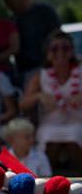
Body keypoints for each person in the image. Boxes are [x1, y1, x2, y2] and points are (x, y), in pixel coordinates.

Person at [20, 30, 82, 175]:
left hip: (77, 121)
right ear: (48, 54)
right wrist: (38, 96)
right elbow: (23, 104)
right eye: (54, 49)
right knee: (47, 137)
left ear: (72, 51)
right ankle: (49, 180)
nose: (60, 53)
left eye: (65, 48)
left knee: (76, 134)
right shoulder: (40, 75)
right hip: (50, 123)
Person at [5, 0, 61, 82]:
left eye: (12, 1)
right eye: (8, 3)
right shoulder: (13, 20)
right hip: (26, 70)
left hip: (49, 65)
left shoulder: (45, 11)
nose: (10, 5)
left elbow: (57, 35)